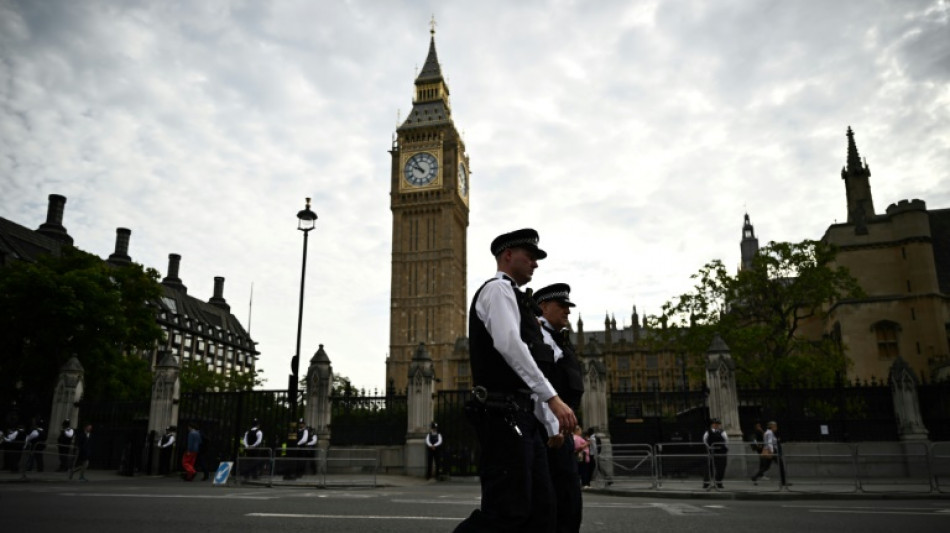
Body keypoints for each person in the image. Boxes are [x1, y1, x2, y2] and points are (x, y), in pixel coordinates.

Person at [454, 228, 577, 533]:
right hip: (501, 415)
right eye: (530, 256)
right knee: (506, 510)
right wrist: (553, 398)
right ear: (508, 255)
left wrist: (549, 422)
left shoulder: (518, 299)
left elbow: (527, 370)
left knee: (542, 510)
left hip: (522, 415)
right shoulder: (497, 290)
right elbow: (511, 347)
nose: (535, 263)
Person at [534, 282, 585, 532]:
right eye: (562, 306)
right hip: (550, 433)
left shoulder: (560, 339)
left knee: (569, 503)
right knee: (555, 504)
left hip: (562, 432)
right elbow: (539, 383)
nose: (567, 311)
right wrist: (554, 427)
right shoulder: (538, 336)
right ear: (543, 307)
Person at [751, 420, 786, 486]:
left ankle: (755, 477)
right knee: (781, 466)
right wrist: (772, 452)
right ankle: (783, 482)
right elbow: (770, 443)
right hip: (772, 451)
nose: (776, 428)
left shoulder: (767, 432)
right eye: (775, 426)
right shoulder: (769, 433)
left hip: (768, 450)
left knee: (766, 466)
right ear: (772, 426)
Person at [702, 418, 729, 490]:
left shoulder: (723, 432)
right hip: (711, 452)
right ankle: (706, 483)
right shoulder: (708, 432)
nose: (716, 425)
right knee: (708, 468)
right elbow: (705, 441)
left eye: (718, 424)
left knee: (721, 468)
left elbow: (726, 441)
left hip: (721, 452)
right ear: (712, 424)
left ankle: (719, 482)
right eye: (715, 424)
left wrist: (724, 449)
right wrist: (709, 448)